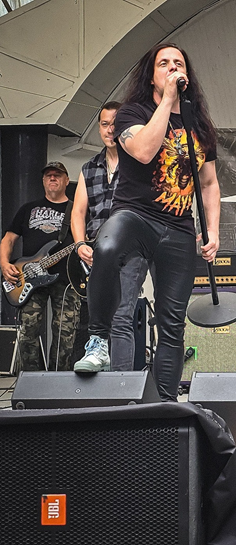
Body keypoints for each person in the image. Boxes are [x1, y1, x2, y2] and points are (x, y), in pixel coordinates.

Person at [74, 43, 220, 402]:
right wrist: (167, 101)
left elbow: (209, 183)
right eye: (163, 63)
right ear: (151, 75)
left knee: (172, 323)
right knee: (106, 247)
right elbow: (142, 151)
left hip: (178, 227)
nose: (171, 68)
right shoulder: (131, 112)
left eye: (178, 63)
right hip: (135, 215)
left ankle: (166, 404)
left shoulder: (199, 125)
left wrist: (214, 231)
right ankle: (98, 341)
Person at [70, 101, 151, 371]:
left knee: (121, 317)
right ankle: (103, 380)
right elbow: (78, 212)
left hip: (132, 250)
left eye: (115, 124)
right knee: (99, 320)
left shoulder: (139, 164)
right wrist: (79, 243)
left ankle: (121, 385)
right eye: (104, 124)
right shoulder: (89, 168)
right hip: (99, 252)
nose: (110, 129)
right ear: (99, 128)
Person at [0, 162, 81, 371]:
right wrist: (4, 264)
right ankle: (30, 379)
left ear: (66, 181)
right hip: (29, 277)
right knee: (28, 329)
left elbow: (86, 240)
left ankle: (58, 380)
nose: (52, 178)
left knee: (65, 333)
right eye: (48, 175)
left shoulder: (76, 210)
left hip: (66, 279)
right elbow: (8, 239)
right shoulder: (28, 209)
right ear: (43, 181)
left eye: (57, 175)